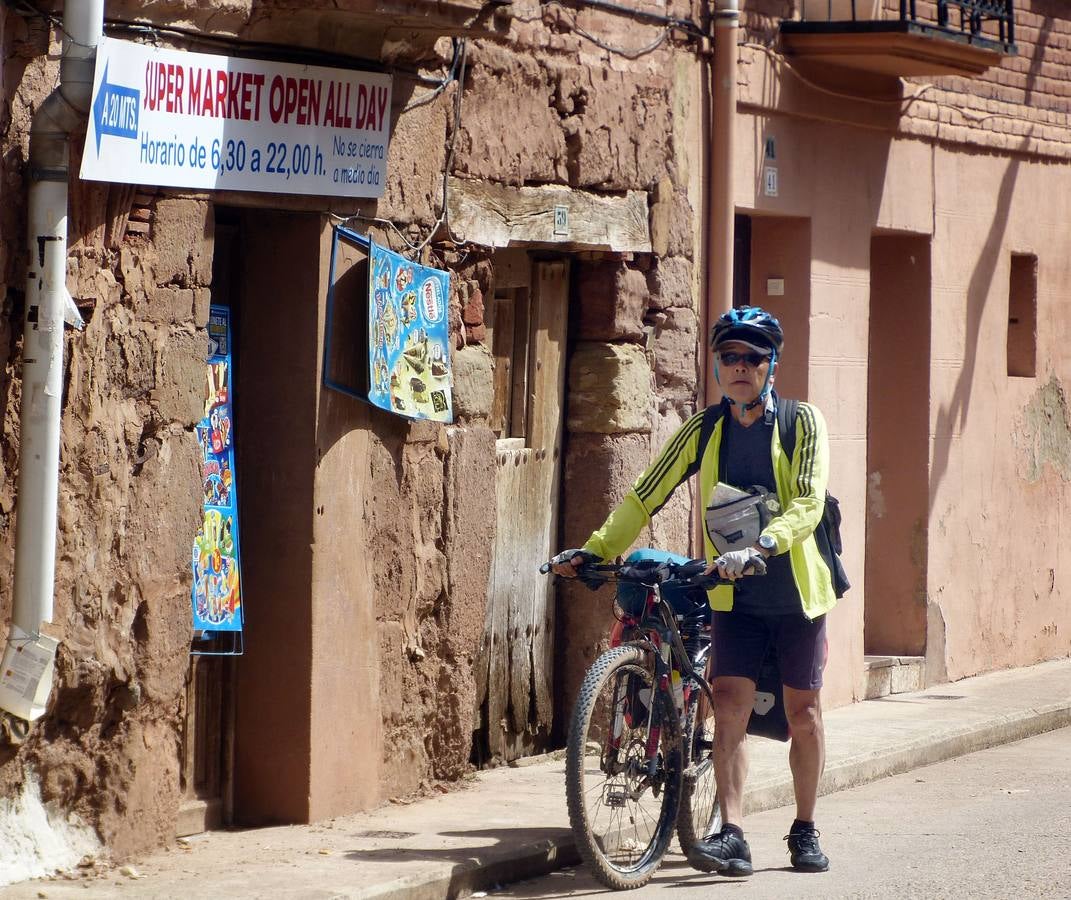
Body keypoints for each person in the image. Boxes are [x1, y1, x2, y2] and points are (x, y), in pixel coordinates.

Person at [551, 306, 837, 876]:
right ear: (717, 366)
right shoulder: (705, 429)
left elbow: (807, 501)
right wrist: (596, 549)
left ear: (771, 365)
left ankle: (804, 830)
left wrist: (763, 547)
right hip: (733, 594)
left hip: (795, 590)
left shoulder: (802, 423)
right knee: (728, 707)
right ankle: (732, 832)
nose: (739, 367)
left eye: (752, 357)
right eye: (728, 357)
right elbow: (645, 494)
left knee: (803, 715)